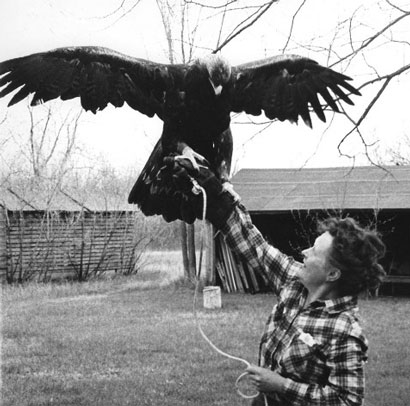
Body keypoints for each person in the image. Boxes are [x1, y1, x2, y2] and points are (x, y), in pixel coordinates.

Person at [164, 156, 386, 406]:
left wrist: (281, 385)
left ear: (332, 274)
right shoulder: (295, 281)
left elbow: (348, 401)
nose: (304, 252)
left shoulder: (345, 331)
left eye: (314, 251)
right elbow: (254, 244)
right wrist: (215, 196)